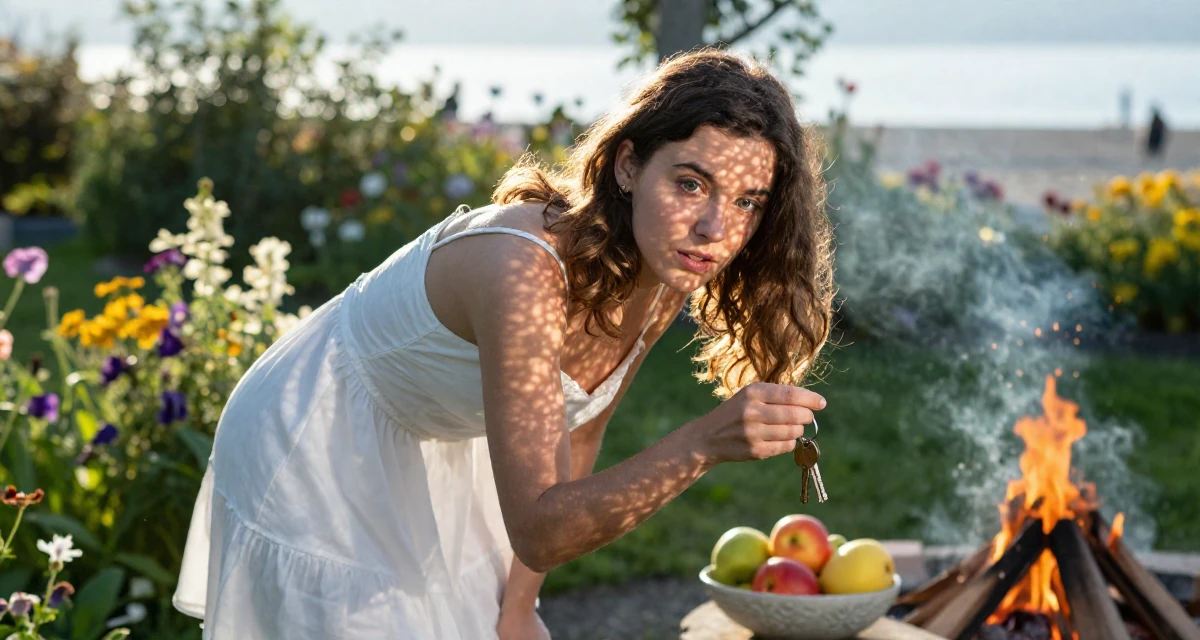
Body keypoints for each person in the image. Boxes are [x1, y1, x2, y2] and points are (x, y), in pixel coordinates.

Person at [172, 47, 836, 639]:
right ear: (629, 165)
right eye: (691, 183)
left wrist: (518, 607)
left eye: (748, 202)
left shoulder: (663, 268)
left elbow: (581, 430)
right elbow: (542, 530)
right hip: (323, 435)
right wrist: (703, 444)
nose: (716, 228)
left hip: (442, 437)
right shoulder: (522, 270)